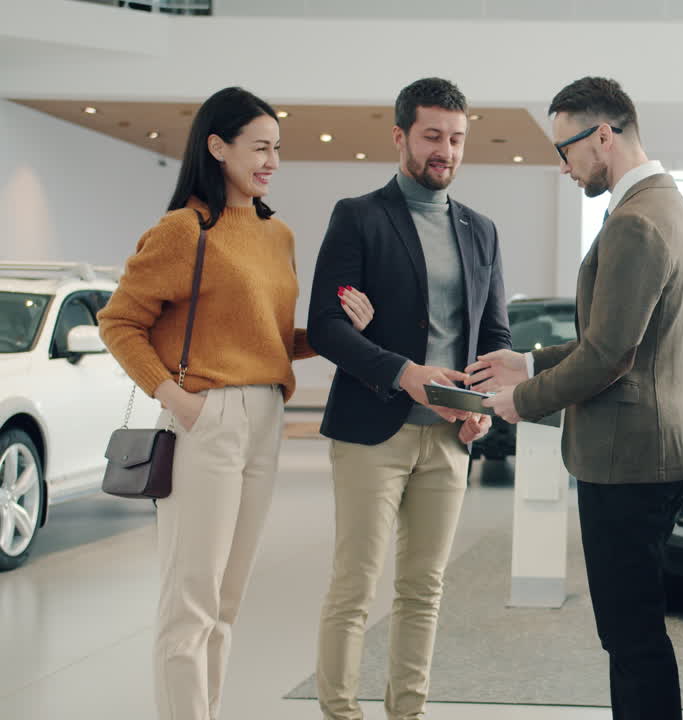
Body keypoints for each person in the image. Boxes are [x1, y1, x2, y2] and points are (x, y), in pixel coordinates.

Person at [98, 86, 373, 720]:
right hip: (207, 416)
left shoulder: (277, 235)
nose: (272, 160)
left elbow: (269, 339)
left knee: (226, 600)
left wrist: (338, 336)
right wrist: (175, 397)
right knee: (189, 602)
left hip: (265, 419)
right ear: (217, 147)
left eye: (277, 149)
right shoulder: (181, 231)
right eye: (259, 147)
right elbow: (119, 323)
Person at [467, 76, 683, 720]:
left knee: (631, 639)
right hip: (649, 451)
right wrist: (526, 362)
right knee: (634, 634)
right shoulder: (666, 206)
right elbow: (619, 338)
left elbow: (611, 356)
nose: (564, 166)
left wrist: (525, 400)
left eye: (565, 149)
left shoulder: (637, 221)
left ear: (604, 135)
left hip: (630, 457)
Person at [307, 77, 511, 720]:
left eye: (455, 138)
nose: (444, 150)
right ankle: (339, 711)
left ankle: (408, 712)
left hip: (451, 438)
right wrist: (402, 372)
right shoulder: (358, 215)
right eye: (431, 136)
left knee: (424, 588)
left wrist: (480, 409)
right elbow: (325, 328)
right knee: (355, 587)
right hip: (373, 429)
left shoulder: (482, 231)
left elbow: (495, 336)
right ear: (400, 136)